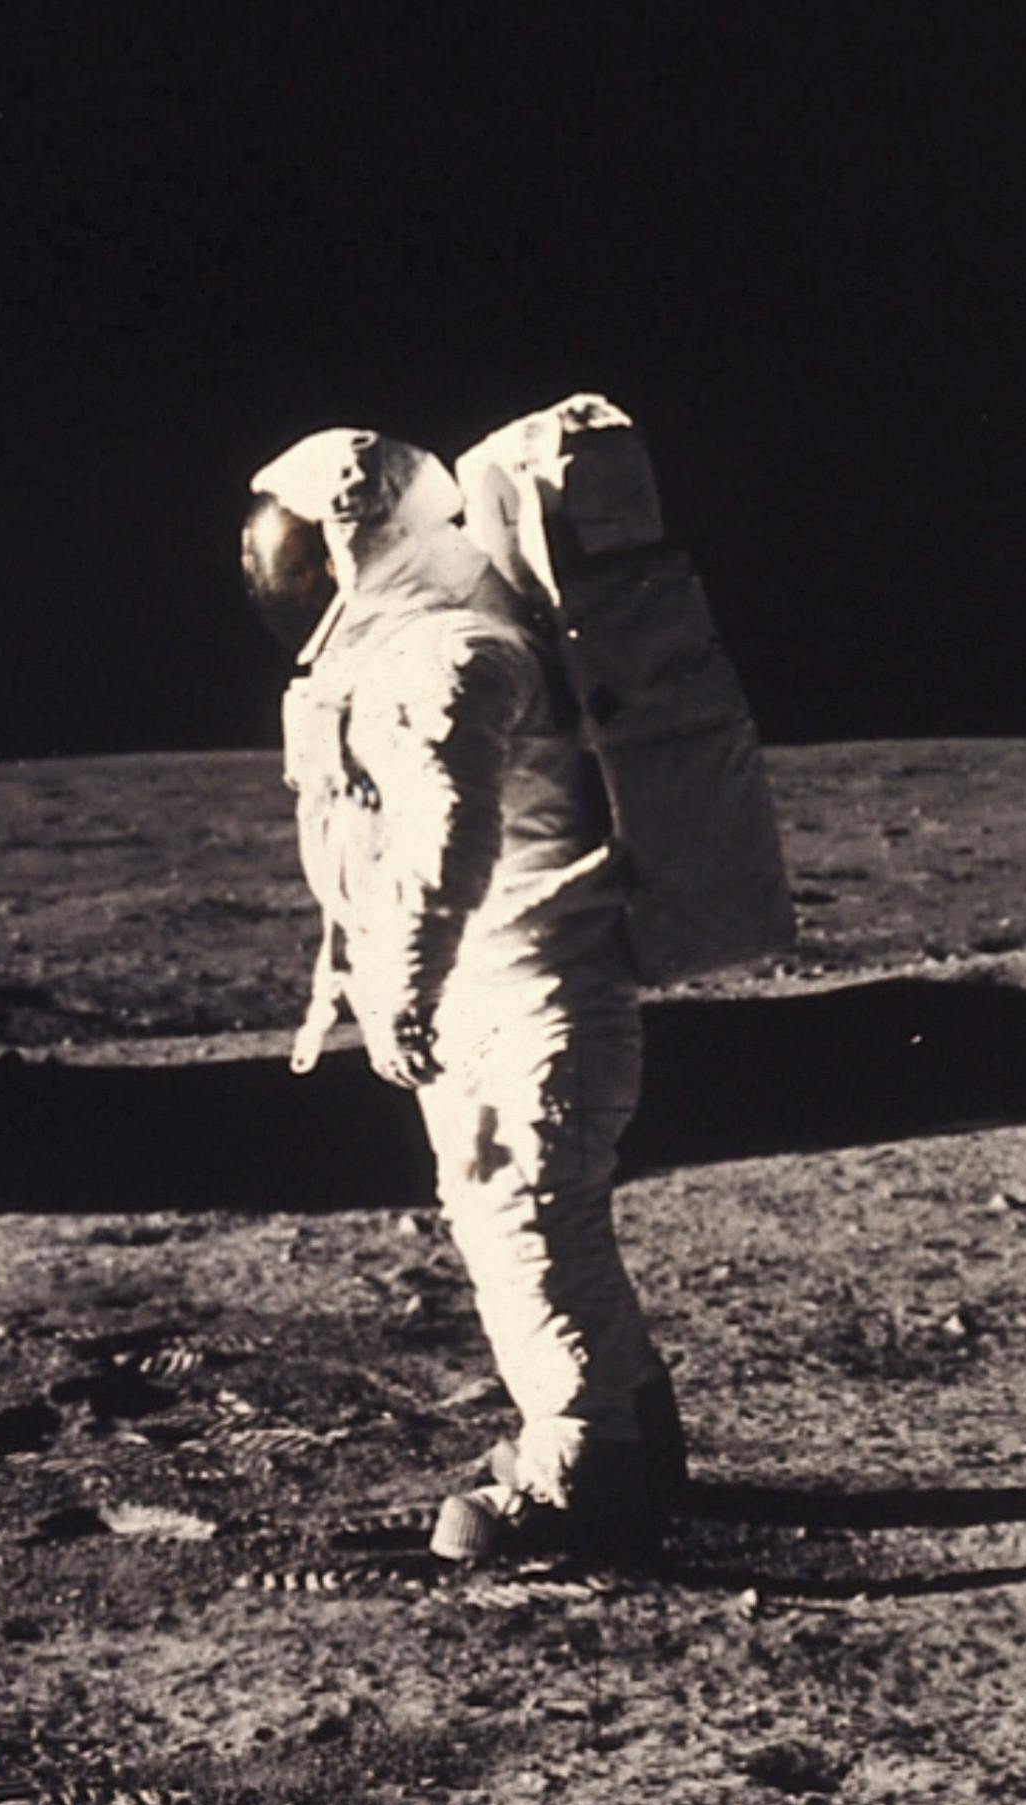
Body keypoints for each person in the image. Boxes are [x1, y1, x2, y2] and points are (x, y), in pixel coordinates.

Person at [242, 427, 683, 1562]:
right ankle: (633, 1431)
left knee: (527, 1225)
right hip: (516, 984)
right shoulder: (426, 645)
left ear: (354, 546)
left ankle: (581, 1476)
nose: (281, 583)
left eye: (295, 558)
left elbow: (450, 838)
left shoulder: (450, 656)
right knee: (540, 1222)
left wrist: (403, 983)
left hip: (534, 992)